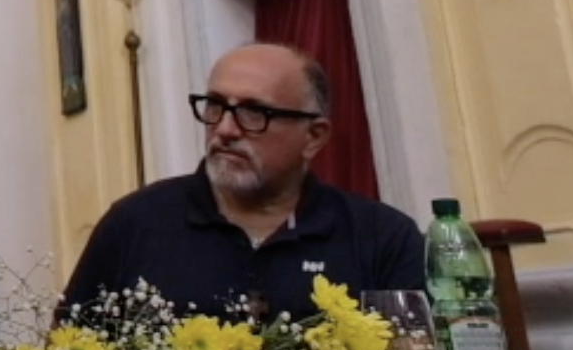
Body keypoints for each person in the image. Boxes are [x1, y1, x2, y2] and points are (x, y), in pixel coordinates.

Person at [61, 42, 424, 321]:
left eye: (254, 112)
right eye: (215, 105)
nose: (225, 129)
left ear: (313, 136)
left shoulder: (382, 238)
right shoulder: (134, 224)